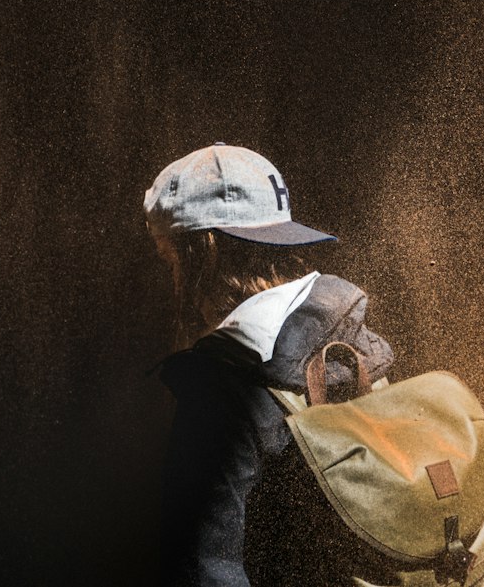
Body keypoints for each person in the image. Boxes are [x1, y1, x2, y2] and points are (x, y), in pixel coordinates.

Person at [145, 142, 398, 587]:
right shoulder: (354, 345)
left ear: (201, 254)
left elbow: (204, 568)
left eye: (170, 261)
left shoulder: (224, 388)